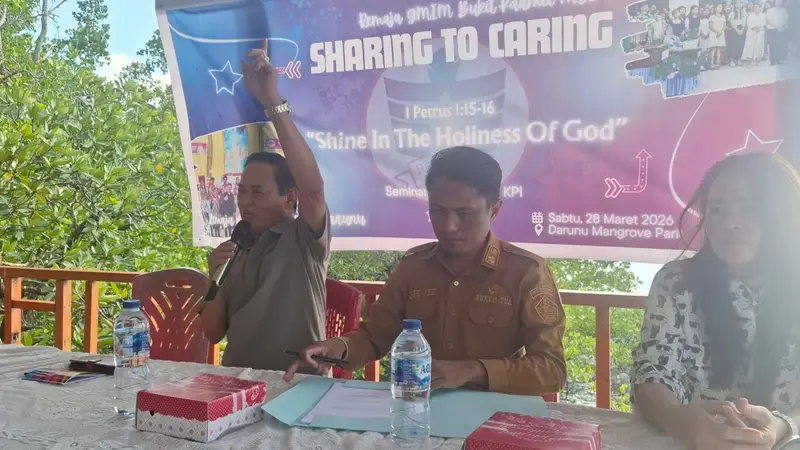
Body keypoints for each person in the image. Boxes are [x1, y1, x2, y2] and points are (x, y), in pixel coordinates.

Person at [284, 146, 567, 396]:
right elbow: (374, 338)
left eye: (464, 214)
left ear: (494, 210)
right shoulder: (413, 266)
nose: (449, 226)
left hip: (495, 418)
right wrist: (338, 348)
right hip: (419, 410)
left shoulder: (527, 272)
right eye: (438, 211)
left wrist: (474, 370)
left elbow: (552, 370)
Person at [631, 153, 800, 450]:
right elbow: (652, 372)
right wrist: (681, 420)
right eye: (717, 209)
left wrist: (783, 425)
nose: (730, 223)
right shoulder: (677, 282)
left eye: (749, 208)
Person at [200, 39, 331, 372]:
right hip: (238, 382)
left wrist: (272, 101)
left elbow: (314, 190)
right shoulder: (234, 248)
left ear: (290, 197)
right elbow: (212, 334)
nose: (246, 201)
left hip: (298, 383)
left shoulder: (304, 239)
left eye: (258, 193)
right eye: (242, 191)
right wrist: (214, 278)